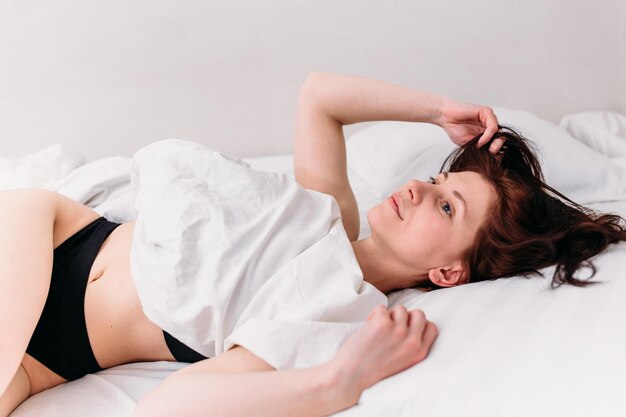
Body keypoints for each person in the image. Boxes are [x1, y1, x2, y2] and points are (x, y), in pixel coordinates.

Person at [0, 72, 623, 417]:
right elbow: (319, 95)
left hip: (48, 360)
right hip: (46, 235)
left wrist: (340, 381)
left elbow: (171, 407)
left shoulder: (339, 314)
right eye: (436, 178)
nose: (416, 186)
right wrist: (436, 110)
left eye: (445, 204)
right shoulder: (329, 206)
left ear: (448, 274)